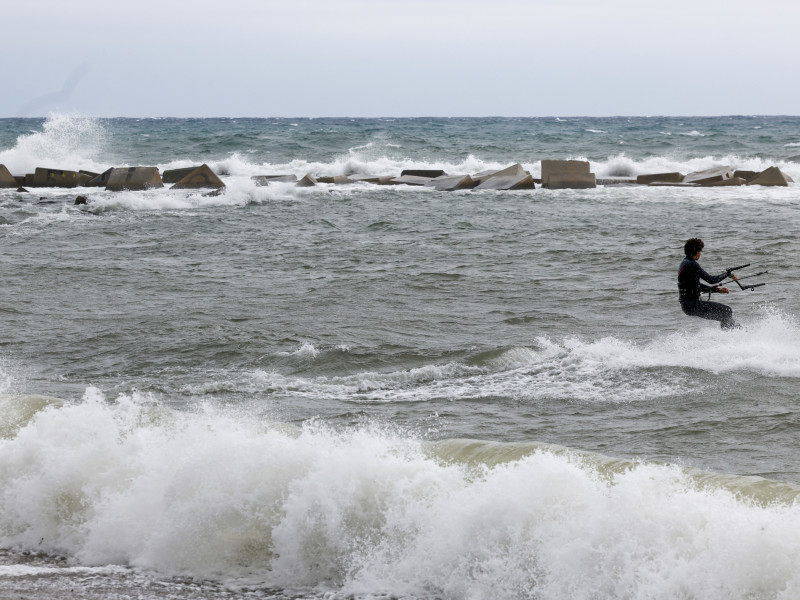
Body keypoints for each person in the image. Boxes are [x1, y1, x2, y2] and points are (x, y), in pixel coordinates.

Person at [678, 238, 738, 329]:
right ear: (696, 251)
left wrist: (717, 290)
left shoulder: (685, 263)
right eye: (700, 251)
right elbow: (711, 280)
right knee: (727, 311)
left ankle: (739, 333)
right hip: (693, 305)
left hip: (688, 306)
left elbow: (696, 286)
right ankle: (731, 337)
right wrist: (727, 274)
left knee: (726, 316)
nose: (700, 253)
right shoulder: (691, 264)